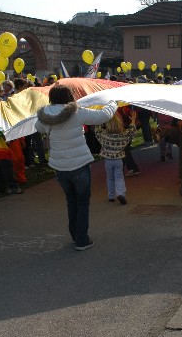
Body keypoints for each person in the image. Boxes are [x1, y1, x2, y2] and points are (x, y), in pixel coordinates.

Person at [35, 85, 117, 251]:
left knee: (71, 202)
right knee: (82, 202)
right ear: (69, 97)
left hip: (60, 167)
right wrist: (112, 103)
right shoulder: (76, 112)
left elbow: (39, 128)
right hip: (79, 165)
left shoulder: (44, 116)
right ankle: (82, 240)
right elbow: (103, 116)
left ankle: (75, 236)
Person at [95, 110, 137, 205]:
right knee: (119, 177)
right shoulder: (123, 136)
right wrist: (133, 120)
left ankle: (111, 196)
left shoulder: (104, 136)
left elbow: (97, 130)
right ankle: (121, 193)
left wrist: (100, 118)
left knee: (110, 178)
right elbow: (131, 132)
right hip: (119, 160)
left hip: (108, 160)